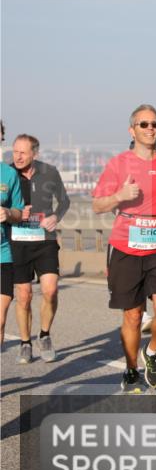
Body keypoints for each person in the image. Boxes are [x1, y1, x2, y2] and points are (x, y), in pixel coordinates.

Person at [92, 104, 156, 392]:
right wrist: (119, 196)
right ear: (132, 130)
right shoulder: (118, 164)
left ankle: (152, 352)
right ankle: (131, 368)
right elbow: (97, 205)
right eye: (143, 124)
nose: (150, 128)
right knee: (132, 316)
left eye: (155, 123)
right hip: (126, 248)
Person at [10, 134, 70, 364]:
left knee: (50, 290)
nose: (18, 156)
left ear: (34, 154)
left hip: (45, 240)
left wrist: (56, 216)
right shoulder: (7, 173)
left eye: (23, 153)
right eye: (15, 151)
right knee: (23, 296)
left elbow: (64, 201)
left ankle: (44, 335)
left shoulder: (49, 172)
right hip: (18, 241)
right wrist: (13, 213)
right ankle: (25, 343)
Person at [0, 122, 25, 354]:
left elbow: (19, 212)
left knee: (0, 320)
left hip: (3, 253)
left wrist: (8, 213)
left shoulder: (9, 174)